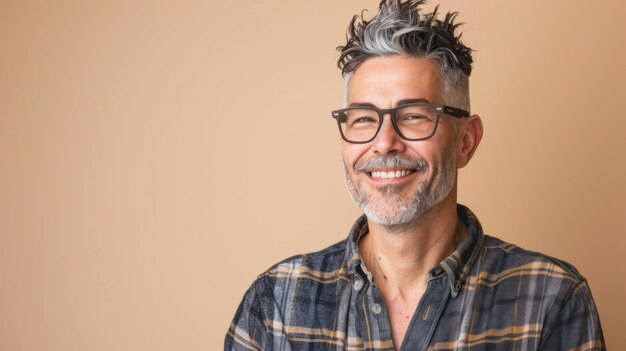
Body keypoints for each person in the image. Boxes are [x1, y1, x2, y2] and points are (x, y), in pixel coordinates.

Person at [224, 1, 605, 350]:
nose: (384, 143)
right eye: (363, 119)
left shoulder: (551, 301)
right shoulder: (277, 303)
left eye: (414, 116)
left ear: (466, 142)